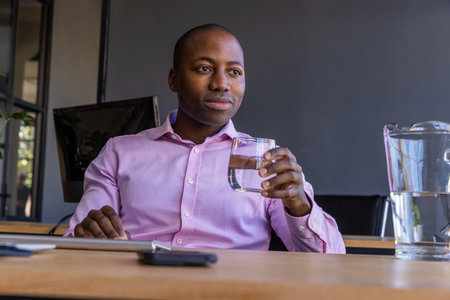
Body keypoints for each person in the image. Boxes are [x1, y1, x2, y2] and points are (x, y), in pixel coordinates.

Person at [64, 24, 345, 253]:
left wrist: (299, 205)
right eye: (204, 68)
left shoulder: (266, 164)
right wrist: (90, 232)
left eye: (234, 72)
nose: (221, 83)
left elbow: (328, 259)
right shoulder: (119, 153)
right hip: (138, 288)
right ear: (173, 80)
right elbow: (77, 240)